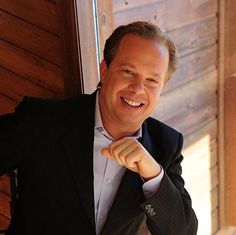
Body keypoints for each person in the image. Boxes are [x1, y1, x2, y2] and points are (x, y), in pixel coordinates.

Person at [0, 21, 198, 235]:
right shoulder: (42, 121)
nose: (138, 89)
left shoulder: (165, 145)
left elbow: (182, 232)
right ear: (105, 70)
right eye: (129, 72)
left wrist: (153, 176)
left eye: (152, 81)